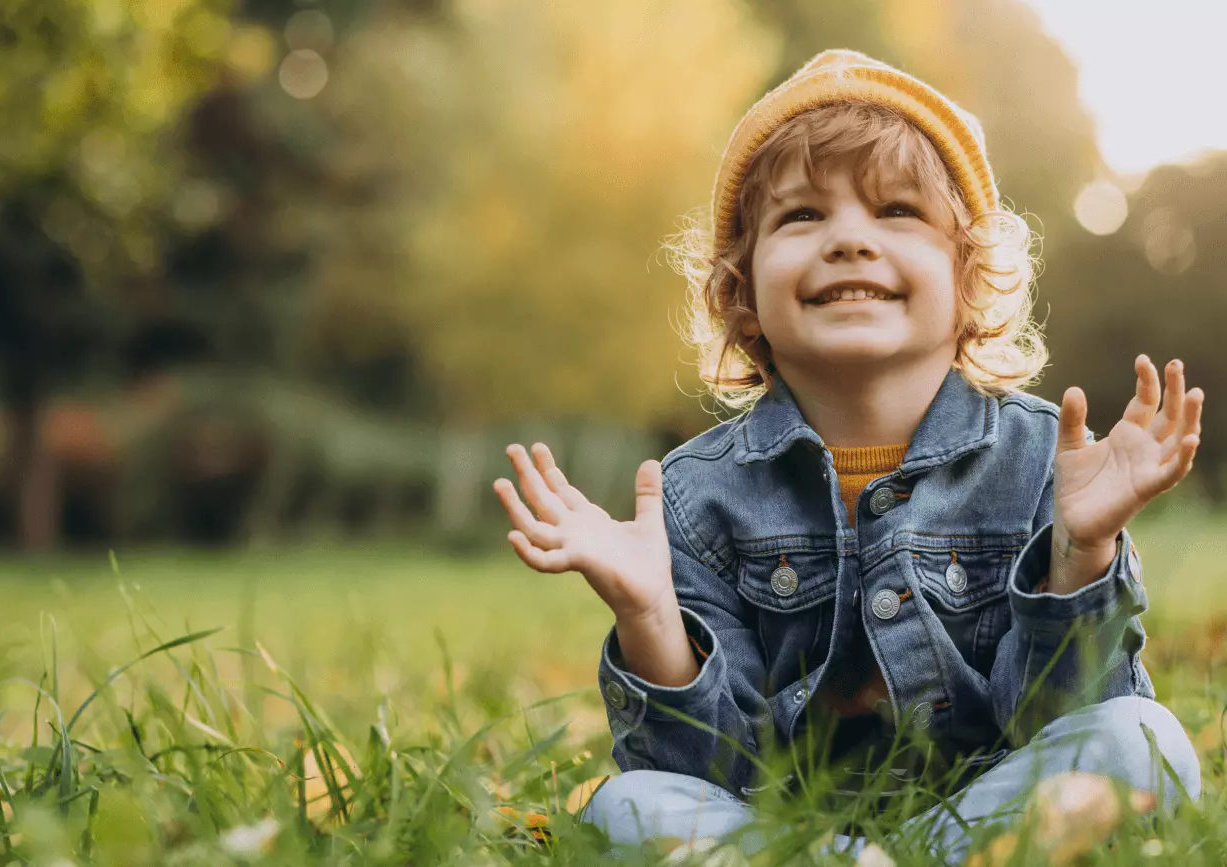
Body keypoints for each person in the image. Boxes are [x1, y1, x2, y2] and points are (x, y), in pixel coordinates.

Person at [491, 49, 1206, 863]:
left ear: (969, 279)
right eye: (802, 216)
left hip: (987, 813)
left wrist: (1082, 554)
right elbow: (709, 771)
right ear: (742, 292)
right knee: (628, 804)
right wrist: (651, 616)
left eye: (896, 210)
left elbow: (1058, 725)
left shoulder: (1043, 460)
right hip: (783, 832)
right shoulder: (695, 497)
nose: (849, 240)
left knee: (1143, 739)